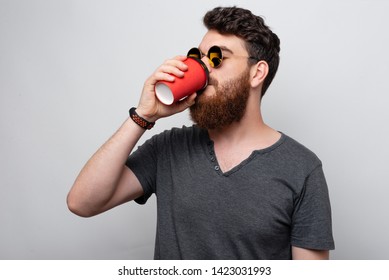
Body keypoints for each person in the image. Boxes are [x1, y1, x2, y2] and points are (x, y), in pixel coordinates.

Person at [67, 6, 335, 260]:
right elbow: (83, 203)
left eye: (217, 57)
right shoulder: (168, 148)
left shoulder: (302, 169)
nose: (204, 68)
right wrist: (144, 115)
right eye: (198, 57)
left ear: (257, 73)